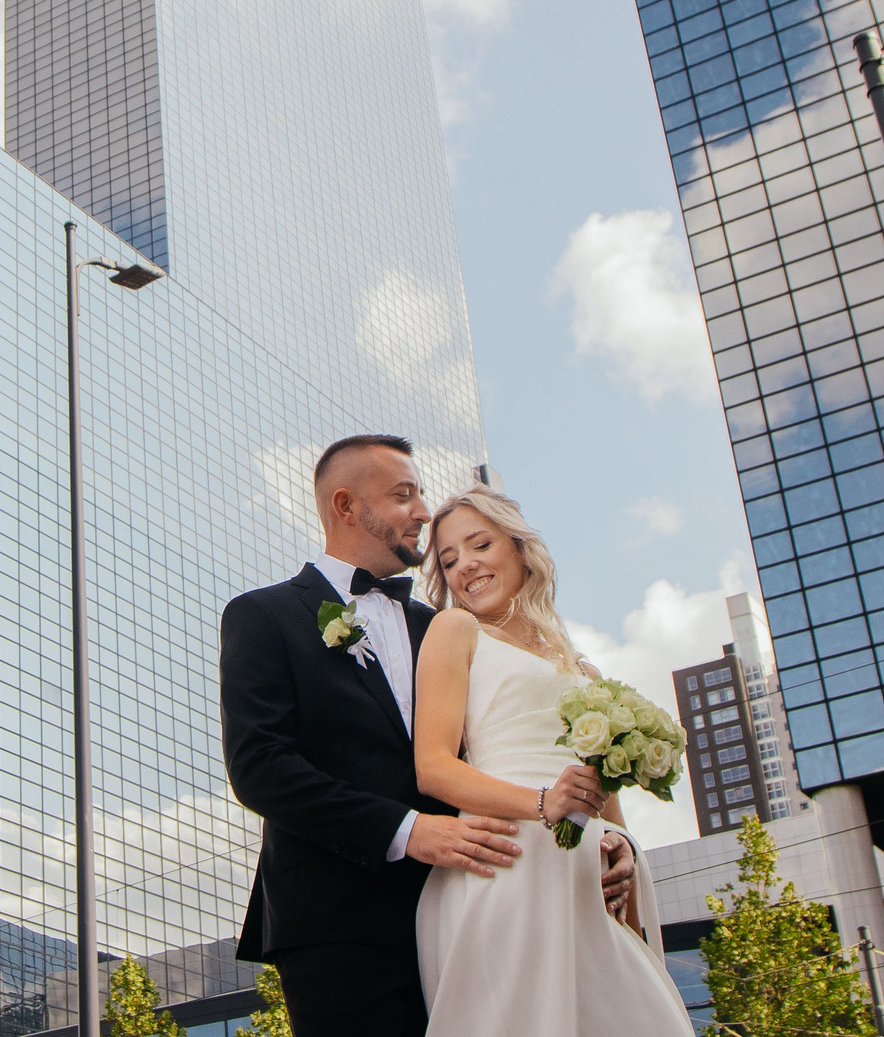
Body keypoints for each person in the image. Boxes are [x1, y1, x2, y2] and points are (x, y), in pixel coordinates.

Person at [219, 436, 638, 1037]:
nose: (423, 511)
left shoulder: (449, 628)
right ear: (345, 506)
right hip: (338, 921)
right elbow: (260, 766)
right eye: (404, 495)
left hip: (469, 905)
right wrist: (410, 831)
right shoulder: (263, 615)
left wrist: (597, 838)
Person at [412, 483, 692, 1034]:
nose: (465, 566)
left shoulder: (581, 669)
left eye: (480, 545)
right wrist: (543, 803)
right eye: (449, 560)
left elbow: (603, 800)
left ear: (519, 548)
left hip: (588, 875)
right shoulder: (455, 630)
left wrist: (623, 849)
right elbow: (433, 767)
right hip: (509, 866)